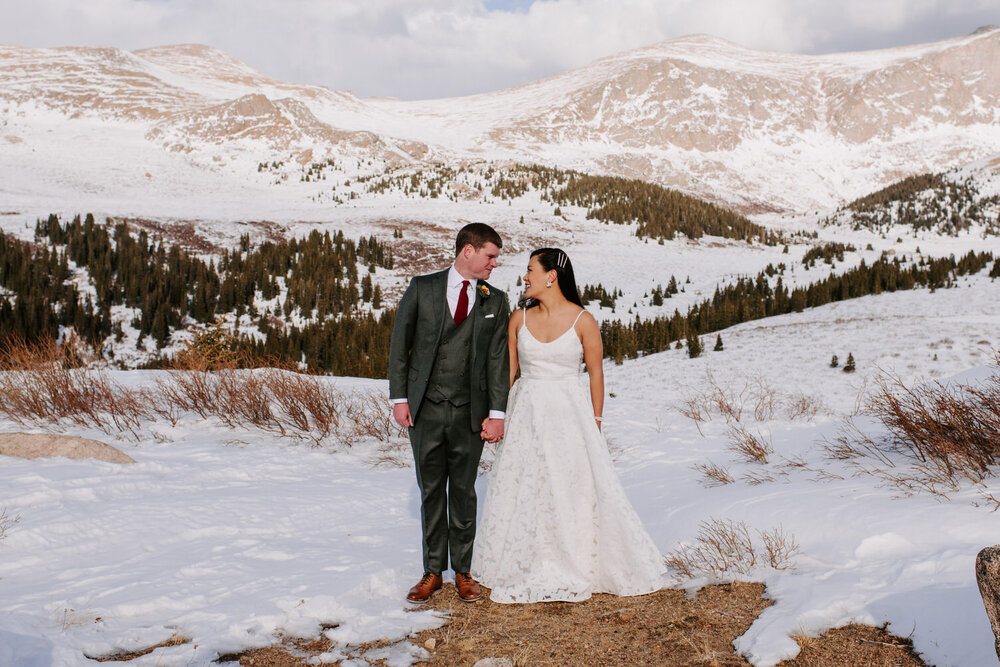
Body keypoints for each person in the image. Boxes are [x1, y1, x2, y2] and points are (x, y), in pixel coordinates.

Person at [472, 248, 664, 603]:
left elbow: (596, 374)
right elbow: (509, 373)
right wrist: (495, 413)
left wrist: (595, 423)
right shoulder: (519, 319)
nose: (524, 277)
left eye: (530, 270)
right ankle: (523, 559)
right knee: (525, 483)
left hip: (569, 415)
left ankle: (577, 560)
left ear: (551, 276)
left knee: (569, 486)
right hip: (527, 411)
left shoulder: (583, 321)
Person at [389, 223, 510, 604]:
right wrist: (399, 398)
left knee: (463, 491)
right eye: (490, 256)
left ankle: (463, 571)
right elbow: (400, 345)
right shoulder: (422, 288)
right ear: (468, 252)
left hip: (470, 413)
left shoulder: (495, 299)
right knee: (430, 491)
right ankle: (431, 572)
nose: (495, 263)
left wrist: (497, 413)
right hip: (424, 409)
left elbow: (497, 361)